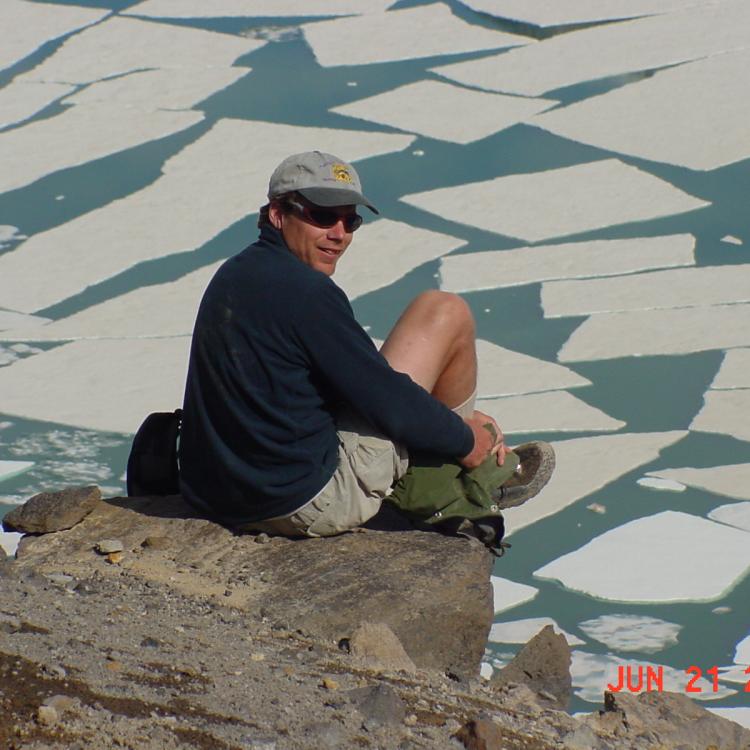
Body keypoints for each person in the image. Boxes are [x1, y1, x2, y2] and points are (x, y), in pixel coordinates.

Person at [179, 151, 551, 539]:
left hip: (218, 494)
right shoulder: (306, 294)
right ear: (277, 215)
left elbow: (337, 385)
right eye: (322, 217)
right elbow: (385, 400)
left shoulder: (236, 274)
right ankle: (461, 476)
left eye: (349, 220)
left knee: (403, 386)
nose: (338, 234)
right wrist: (466, 438)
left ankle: (443, 460)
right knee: (445, 312)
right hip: (301, 503)